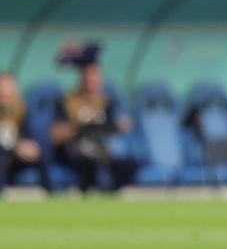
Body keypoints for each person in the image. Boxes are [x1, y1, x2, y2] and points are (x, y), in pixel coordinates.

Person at [49, 43, 136, 193]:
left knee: (127, 164)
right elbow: (54, 134)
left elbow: (120, 126)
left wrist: (119, 125)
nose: (92, 81)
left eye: (95, 77)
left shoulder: (107, 102)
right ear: (82, 78)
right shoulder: (68, 101)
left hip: (102, 151)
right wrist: (79, 125)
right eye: (88, 76)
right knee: (88, 166)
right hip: (76, 152)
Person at [0, 72, 50, 192]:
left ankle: (51, 192)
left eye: (8, 95)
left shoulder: (22, 110)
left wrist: (27, 146)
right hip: (4, 154)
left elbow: (30, 136)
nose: (5, 99)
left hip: (16, 156)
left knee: (40, 151)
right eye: (2, 95)